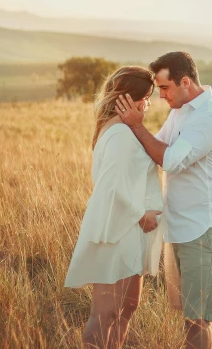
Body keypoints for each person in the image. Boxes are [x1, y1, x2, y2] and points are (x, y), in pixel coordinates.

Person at [115, 51, 212, 349]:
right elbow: (150, 149)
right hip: (179, 228)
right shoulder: (179, 111)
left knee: (199, 320)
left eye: (165, 88)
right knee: (187, 317)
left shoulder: (210, 117)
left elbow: (169, 159)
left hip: (204, 230)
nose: (162, 96)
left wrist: (136, 124)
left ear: (185, 81)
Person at [64, 66, 164, 349]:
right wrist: (140, 214)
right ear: (127, 99)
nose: (148, 104)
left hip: (129, 232)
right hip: (116, 230)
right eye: (146, 97)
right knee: (106, 313)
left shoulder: (125, 129)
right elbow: (109, 187)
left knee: (126, 309)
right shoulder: (120, 134)